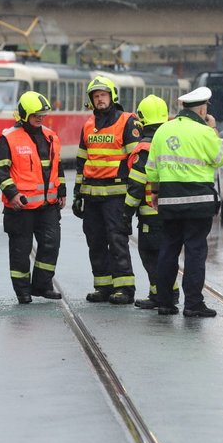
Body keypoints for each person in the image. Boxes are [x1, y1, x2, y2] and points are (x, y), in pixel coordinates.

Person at [146, 86, 223, 317]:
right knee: (194, 252)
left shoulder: (163, 130)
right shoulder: (204, 131)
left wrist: (154, 193)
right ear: (203, 109)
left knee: (168, 250)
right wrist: (213, 129)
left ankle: (164, 302)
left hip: (169, 200)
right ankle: (193, 304)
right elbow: (221, 158)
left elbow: (151, 168)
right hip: (198, 202)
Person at [0, 91, 66, 304]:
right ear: (24, 114)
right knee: (20, 251)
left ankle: (43, 285)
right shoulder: (8, 138)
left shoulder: (51, 136)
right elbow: (0, 171)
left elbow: (57, 167)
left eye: (42, 114)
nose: (40, 118)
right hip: (20, 208)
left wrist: (61, 192)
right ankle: (22, 292)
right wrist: (12, 194)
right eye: (36, 114)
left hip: (48, 206)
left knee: (51, 245)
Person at [73, 76, 140, 305]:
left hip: (116, 195)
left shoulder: (127, 121)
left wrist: (133, 196)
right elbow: (82, 162)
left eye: (103, 95)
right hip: (92, 196)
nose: (100, 100)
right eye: (96, 96)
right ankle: (103, 287)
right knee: (96, 241)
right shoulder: (88, 126)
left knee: (117, 240)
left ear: (112, 96)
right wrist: (77, 194)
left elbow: (136, 159)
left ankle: (124, 288)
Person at [123, 95, 179, 310]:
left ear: (141, 119)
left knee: (150, 254)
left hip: (150, 212)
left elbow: (136, 184)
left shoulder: (144, 148)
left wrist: (126, 213)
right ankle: (171, 291)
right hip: (172, 209)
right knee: (168, 252)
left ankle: (158, 295)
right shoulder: (172, 142)